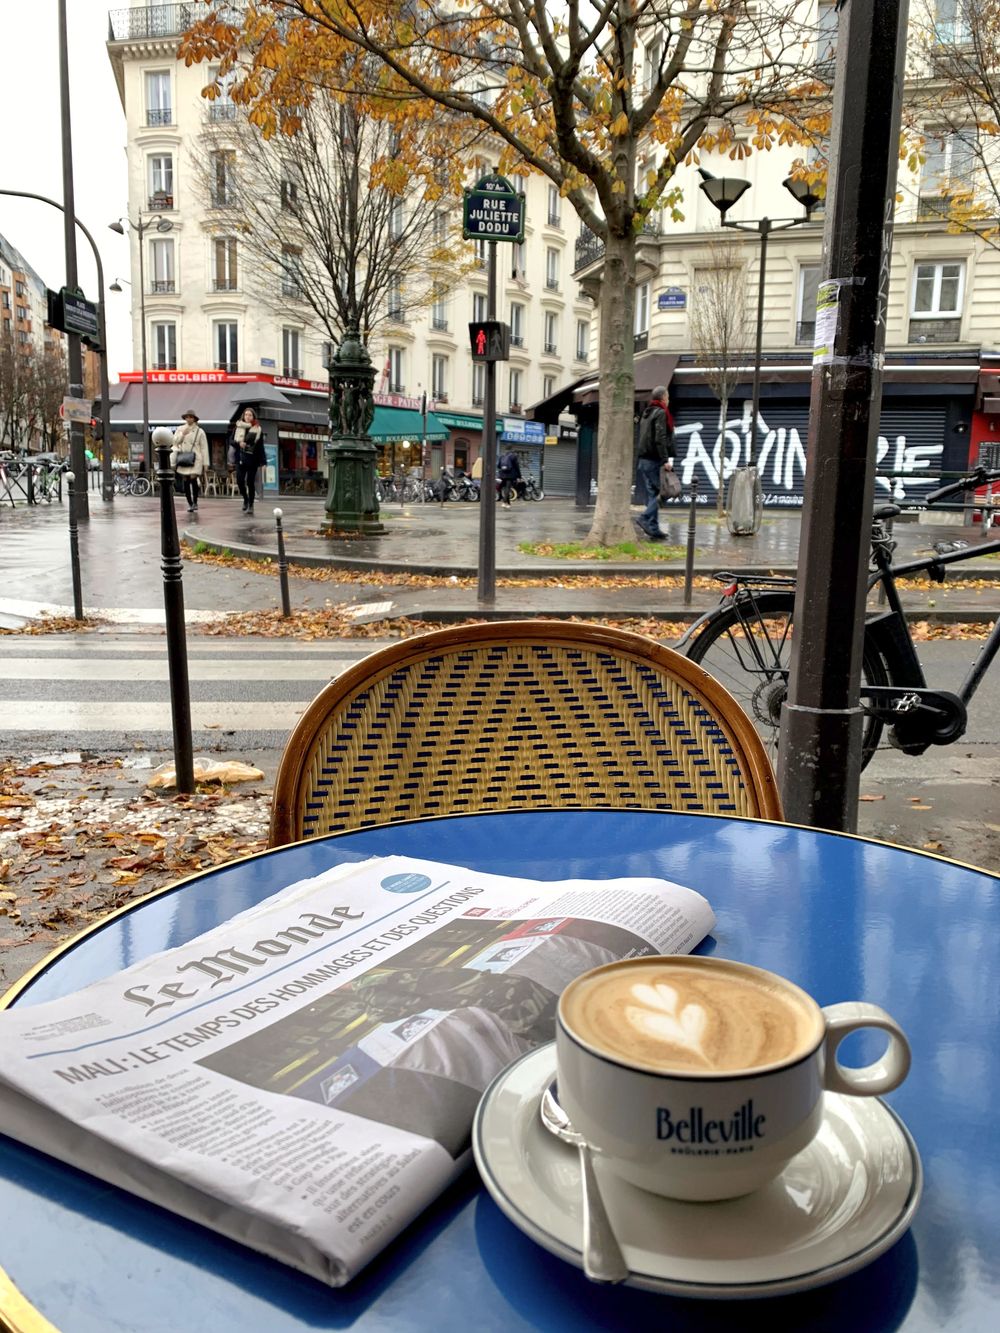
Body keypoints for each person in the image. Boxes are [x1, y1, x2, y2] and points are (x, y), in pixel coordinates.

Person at [634, 384, 676, 541]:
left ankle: (653, 528)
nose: (669, 400)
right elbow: (660, 438)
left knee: (653, 494)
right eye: (668, 397)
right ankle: (645, 518)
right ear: (664, 398)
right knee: (664, 493)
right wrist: (665, 460)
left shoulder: (647, 413)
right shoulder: (660, 413)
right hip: (653, 460)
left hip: (644, 459)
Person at [170, 410, 210, 512]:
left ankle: (195, 502)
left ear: (194, 419)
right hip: (184, 457)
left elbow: (204, 448)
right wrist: (182, 434)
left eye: (191, 417)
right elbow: (174, 442)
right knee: (186, 481)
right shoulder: (180, 429)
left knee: (193, 479)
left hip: (196, 458)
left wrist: (206, 463)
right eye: (187, 417)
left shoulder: (199, 431)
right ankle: (190, 503)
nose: (189, 419)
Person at [232, 408, 265, 513]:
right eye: (246, 414)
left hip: (252, 459)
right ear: (243, 416)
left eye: (250, 415)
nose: (248, 417)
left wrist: (263, 462)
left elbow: (260, 447)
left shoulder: (258, 429)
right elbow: (231, 441)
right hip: (240, 458)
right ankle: (245, 499)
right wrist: (238, 443)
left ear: (253, 417)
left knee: (250, 482)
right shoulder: (238, 427)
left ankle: (251, 505)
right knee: (240, 481)